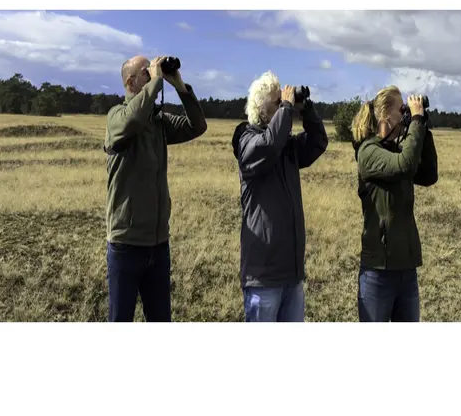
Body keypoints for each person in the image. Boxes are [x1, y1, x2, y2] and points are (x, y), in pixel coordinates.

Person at [103, 55, 207, 322]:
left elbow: (198, 126)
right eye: (145, 71)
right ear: (130, 82)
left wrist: (179, 86)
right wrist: (156, 83)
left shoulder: (158, 123)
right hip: (126, 243)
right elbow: (132, 120)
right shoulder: (116, 117)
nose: (151, 73)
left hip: (158, 244)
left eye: (152, 70)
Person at [231, 71, 328, 322]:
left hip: (291, 274)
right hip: (263, 276)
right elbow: (269, 144)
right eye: (278, 102)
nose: (286, 105)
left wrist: (306, 109)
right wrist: (286, 106)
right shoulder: (248, 141)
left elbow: (318, 141)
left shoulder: (287, 147)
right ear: (262, 109)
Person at [350, 85, 438, 322]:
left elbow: (428, 175)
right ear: (386, 116)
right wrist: (416, 121)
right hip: (378, 271)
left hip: (406, 268)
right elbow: (405, 165)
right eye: (402, 110)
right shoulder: (368, 152)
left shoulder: (398, 149)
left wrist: (423, 126)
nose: (406, 114)